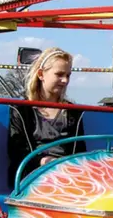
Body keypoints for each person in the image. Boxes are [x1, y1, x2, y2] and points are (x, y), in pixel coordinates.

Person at [7, 47, 86, 189]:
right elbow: (17, 151)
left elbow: (80, 150)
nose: (65, 80)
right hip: (32, 176)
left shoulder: (73, 112)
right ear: (41, 74)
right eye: (59, 74)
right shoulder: (21, 109)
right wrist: (43, 161)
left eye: (68, 75)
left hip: (67, 175)